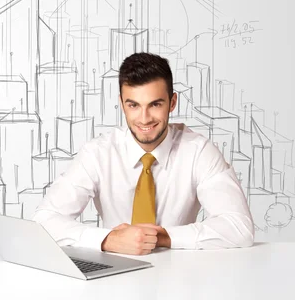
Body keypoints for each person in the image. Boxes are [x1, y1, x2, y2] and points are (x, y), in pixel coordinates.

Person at [32, 52, 254, 256]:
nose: (144, 118)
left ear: (172, 102)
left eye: (155, 104)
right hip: (113, 274)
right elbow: (43, 220)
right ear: (121, 104)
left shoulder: (198, 151)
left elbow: (239, 227)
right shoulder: (98, 153)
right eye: (134, 105)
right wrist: (108, 239)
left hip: (180, 274)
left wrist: (162, 237)